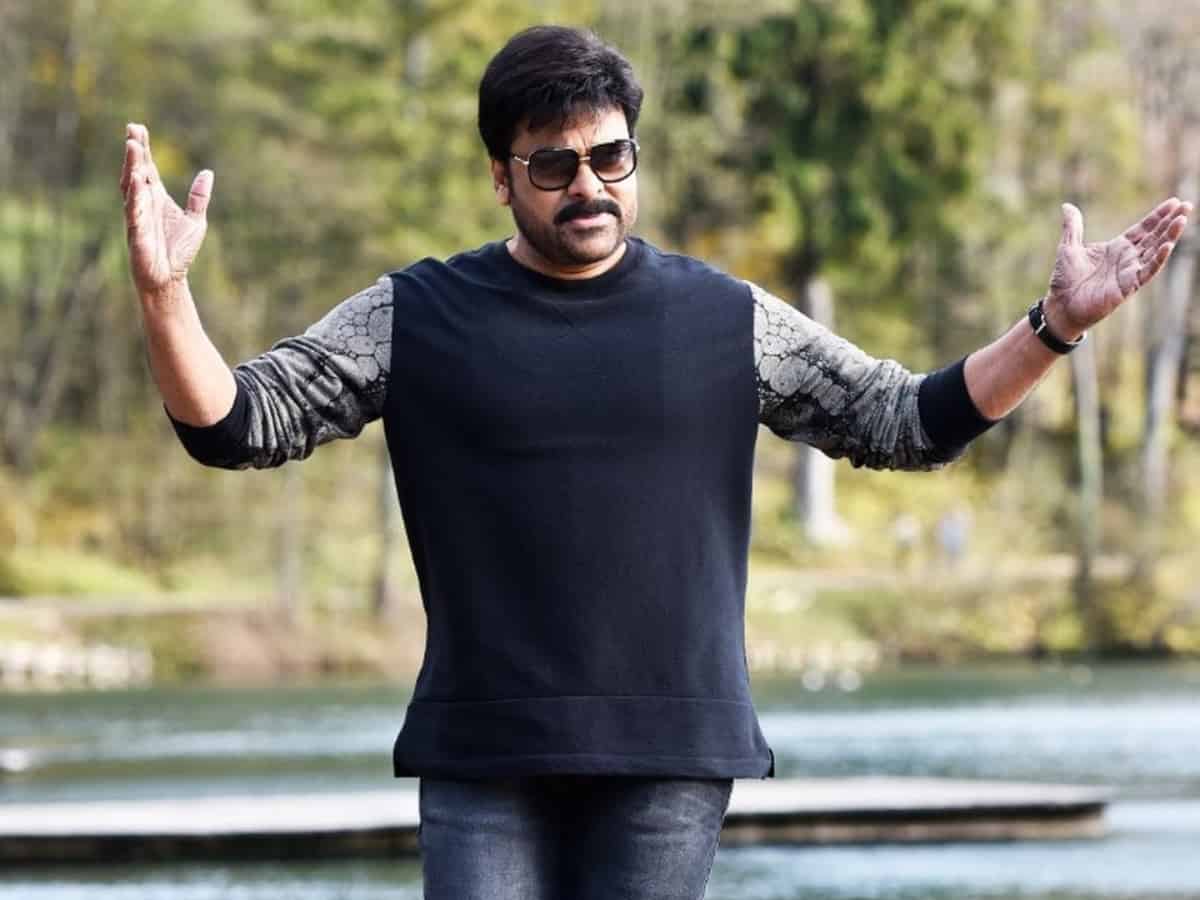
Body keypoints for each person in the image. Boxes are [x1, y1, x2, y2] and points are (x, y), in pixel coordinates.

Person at [120, 24, 1190, 900]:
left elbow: (905, 421)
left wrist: (1053, 327)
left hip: (671, 753)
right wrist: (167, 298)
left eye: (610, 157)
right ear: (500, 177)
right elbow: (236, 425)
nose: (587, 186)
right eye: (553, 165)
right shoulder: (414, 315)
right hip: (485, 751)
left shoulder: (729, 319)